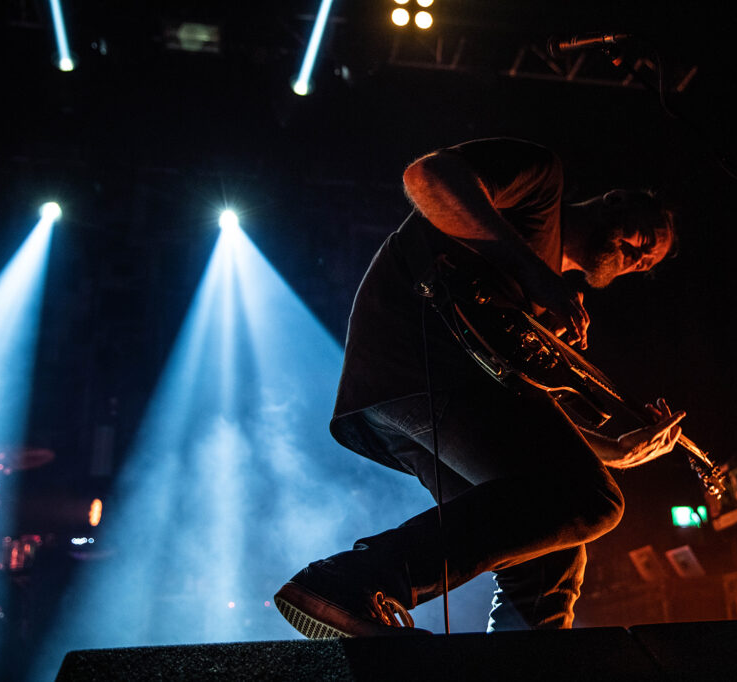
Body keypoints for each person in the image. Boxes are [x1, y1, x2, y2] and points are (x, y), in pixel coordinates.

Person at [274, 137, 685, 637]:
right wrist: (535, 273)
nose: (639, 253)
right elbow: (427, 178)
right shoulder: (543, 185)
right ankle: (352, 578)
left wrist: (611, 449)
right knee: (591, 497)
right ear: (615, 199)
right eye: (647, 233)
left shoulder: (539, 300)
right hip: (418, 360)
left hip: (403, 395)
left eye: (647, 261)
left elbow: (514, 409)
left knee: (551, 543)